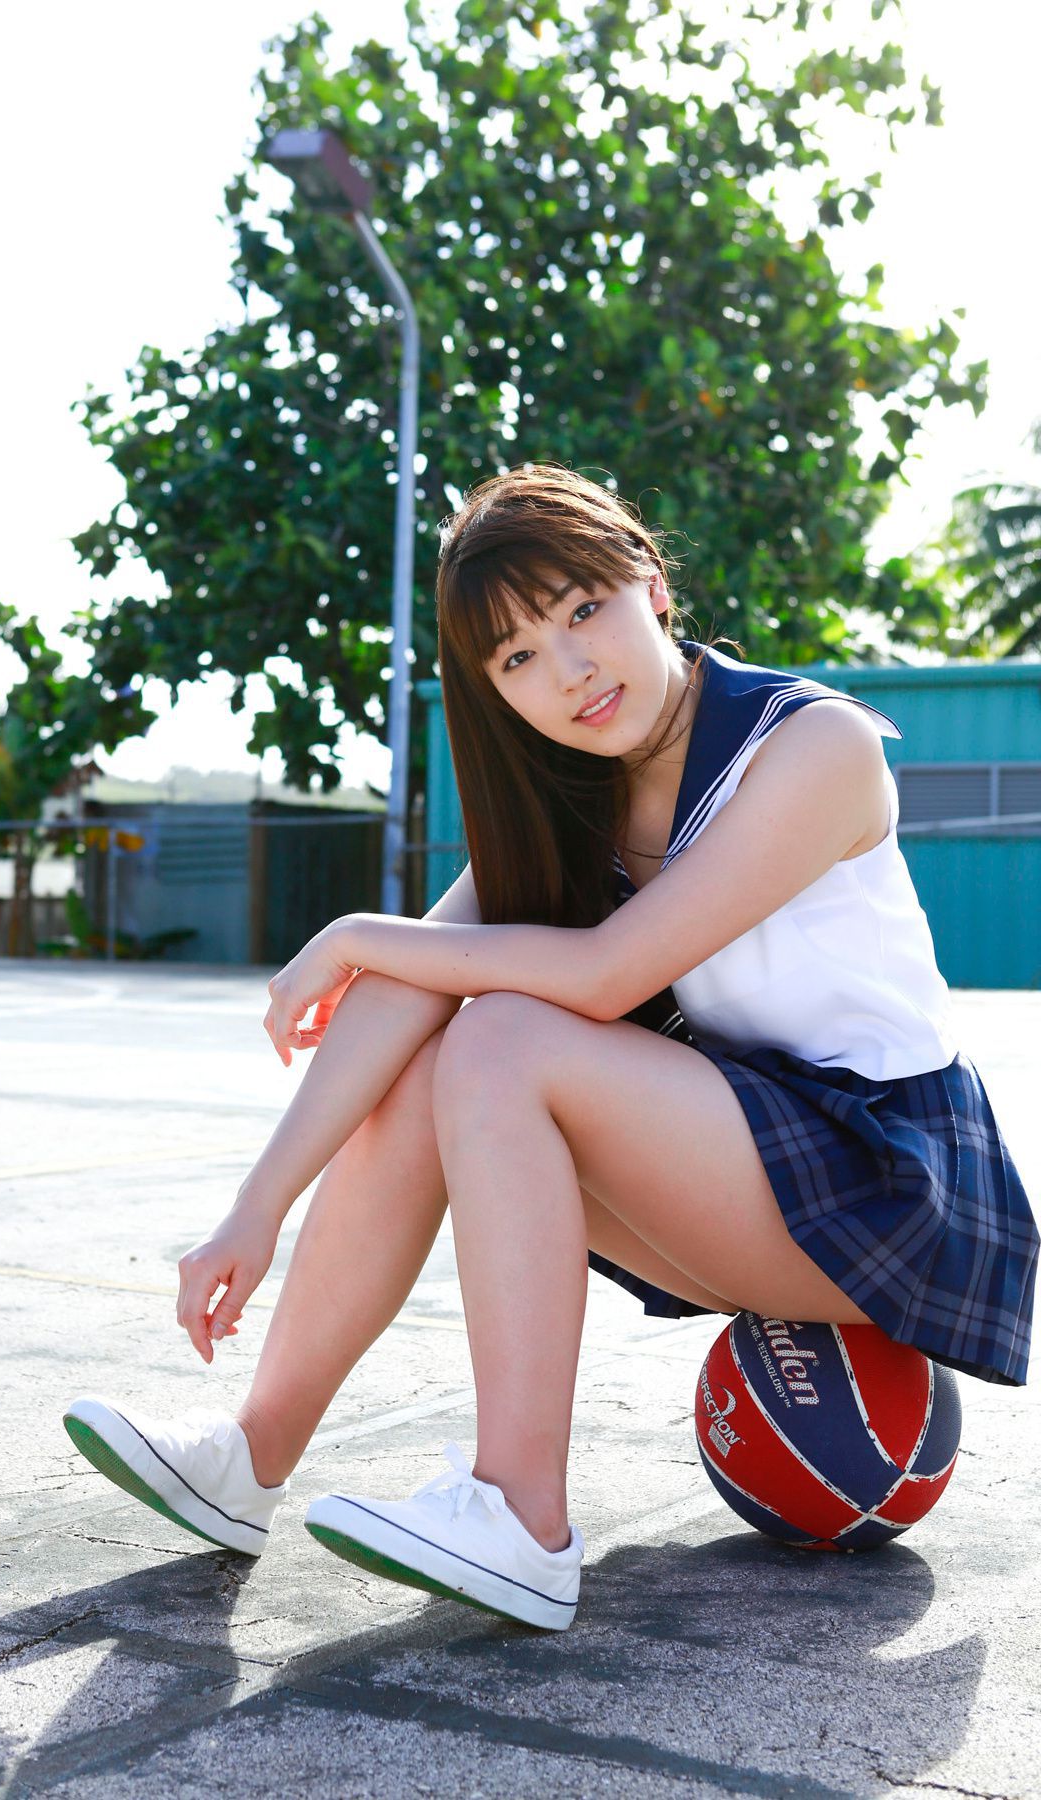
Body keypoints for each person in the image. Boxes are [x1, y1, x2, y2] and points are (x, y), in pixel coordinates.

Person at [64, 464, 1038, 1633]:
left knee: (502, 1039)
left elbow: (608, 973)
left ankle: (522, 1518)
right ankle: (248, 1457)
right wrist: (254, 1210)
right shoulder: (580, 797)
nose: (570, 669)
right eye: (519, 656)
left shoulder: (813, 745)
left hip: (894, 1193)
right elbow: (412, 984)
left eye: (584, 609)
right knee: (441, 1053)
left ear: (652, 583)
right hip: (751, 1167)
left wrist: (353, 933)